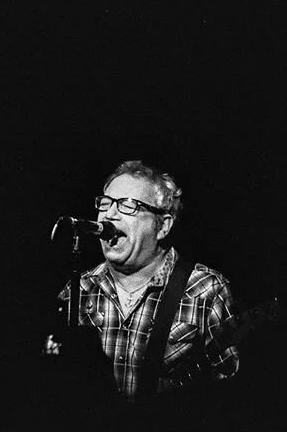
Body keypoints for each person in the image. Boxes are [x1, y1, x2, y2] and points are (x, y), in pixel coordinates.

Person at [46, 159, 240, 404]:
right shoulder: (78, 290)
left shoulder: (205, 290)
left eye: (128, 205)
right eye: (105, 203)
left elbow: (229, 393)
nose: (109, 214)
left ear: (163, 226)